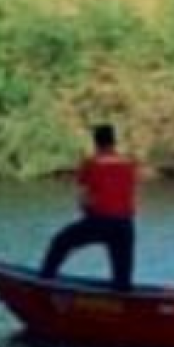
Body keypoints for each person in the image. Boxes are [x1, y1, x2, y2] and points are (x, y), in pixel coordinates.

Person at [39, 124, 138, 289]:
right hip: (125, 225)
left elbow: (84, 197)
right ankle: (124, 301)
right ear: (114, 141)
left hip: (100, 221)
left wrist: (88, 214)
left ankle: (43, 282)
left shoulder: (91, 163)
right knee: (122, 280)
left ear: (96, 142)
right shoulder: (129, 164)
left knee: (60, 241)